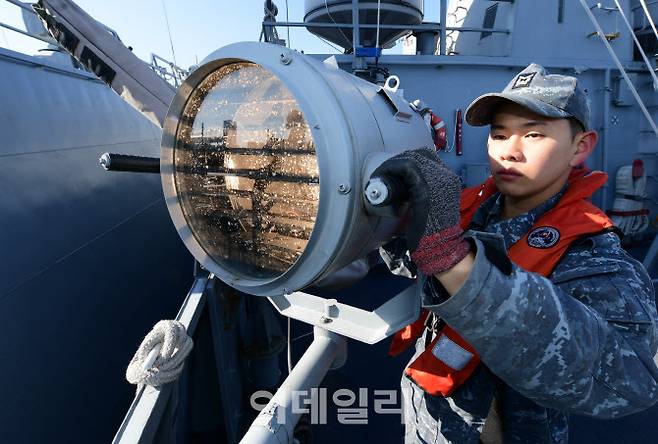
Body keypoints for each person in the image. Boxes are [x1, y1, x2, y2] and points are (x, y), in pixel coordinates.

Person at [372, 64, 658, 444]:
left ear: (581, 146)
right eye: (499, 134)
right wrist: (386, 216)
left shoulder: (591, 254)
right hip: (428, 420)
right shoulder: (473, 210)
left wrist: (454, 260)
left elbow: (632, 380)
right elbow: (413, 264)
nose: (510, 151)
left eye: (534, 134)